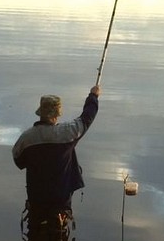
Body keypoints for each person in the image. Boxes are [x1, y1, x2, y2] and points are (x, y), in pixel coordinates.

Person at [12, 85, 101, 219]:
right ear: (57, 114)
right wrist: (93, 96)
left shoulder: (26, 138)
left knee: (35, 232)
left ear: (41, 113)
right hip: (61, 201)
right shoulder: (67, 132)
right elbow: (87, 117)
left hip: (36, 199)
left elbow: (19, 162)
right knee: (60, 231)